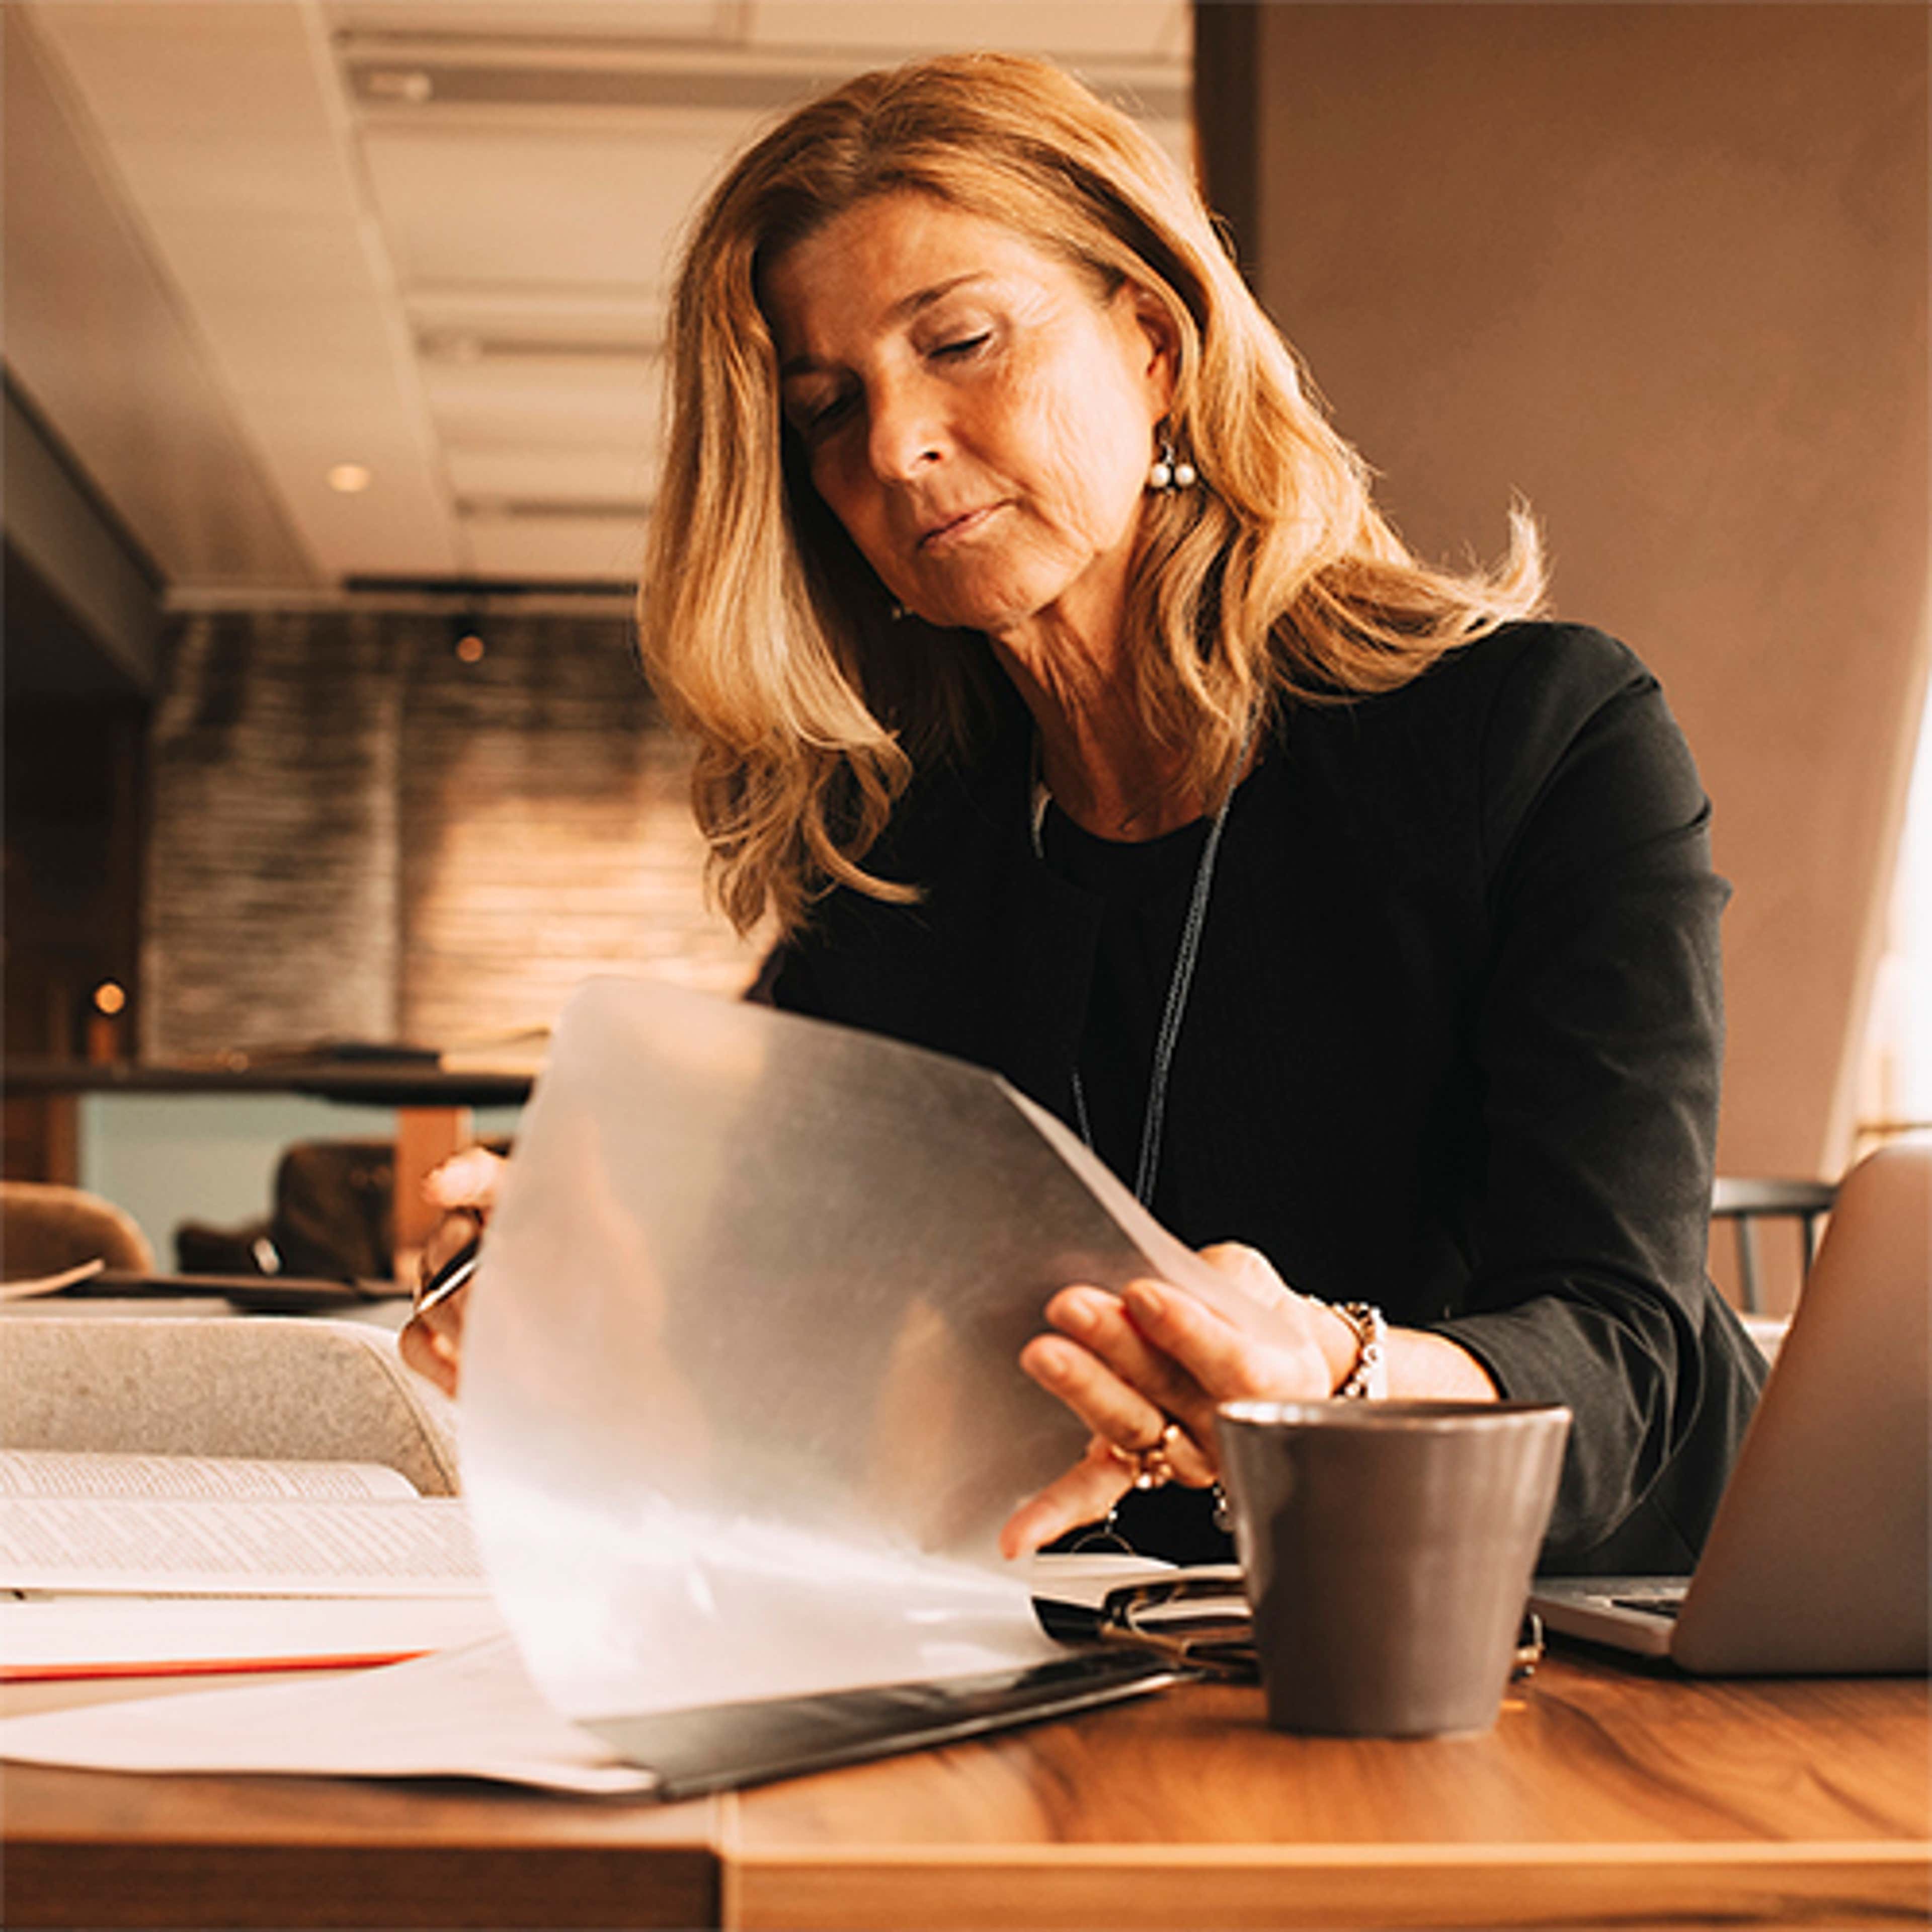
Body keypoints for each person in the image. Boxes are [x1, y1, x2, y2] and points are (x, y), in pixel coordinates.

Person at [403, 51, 1764, 1574]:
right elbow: (803, 1358)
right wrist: (585, 1299)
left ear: (1156, 344)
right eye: (827, 408)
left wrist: (1327, 1376)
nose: (895, 446)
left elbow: (1626, 1353)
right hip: (1140, 1628)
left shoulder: (1537, 735)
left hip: (1596, 1620)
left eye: (961, 342)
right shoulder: (893, 849)